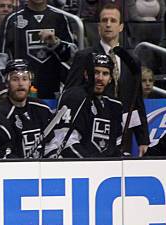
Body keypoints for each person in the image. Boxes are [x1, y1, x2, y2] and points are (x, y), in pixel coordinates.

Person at [65, 4, 150, 156]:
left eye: (113, 20)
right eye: (104, 20)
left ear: (121, 26)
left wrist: (143, 139)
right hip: (92, 132)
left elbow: (136, 101)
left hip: (123, 133)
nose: (108, 24)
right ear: (99, 26)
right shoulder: (84, 56)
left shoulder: (131, 60)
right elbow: (70, 95)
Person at [0, 0, 77, 99]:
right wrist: (3, 88)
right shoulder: (12, 19)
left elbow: (72, 57)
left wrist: (56, 43)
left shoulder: (60, 18)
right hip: (20, 93)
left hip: (52, 90)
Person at [45, 54, 123, 159]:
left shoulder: (114, 105)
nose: (100, 78)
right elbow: (64, 142)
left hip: (104, 169)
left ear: (110, 78)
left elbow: (116, 145)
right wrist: (91, 164)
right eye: (96, 72)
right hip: (76, 167)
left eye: (105, 74)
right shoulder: (74, 97)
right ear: (86, 74)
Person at [0, 59, 53, 158]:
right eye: (15, 79)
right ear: (7, 83)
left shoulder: (43, 109)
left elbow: (51, 143)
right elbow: (1, 153)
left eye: (25, 79)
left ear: (30, 83)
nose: (20, 84)